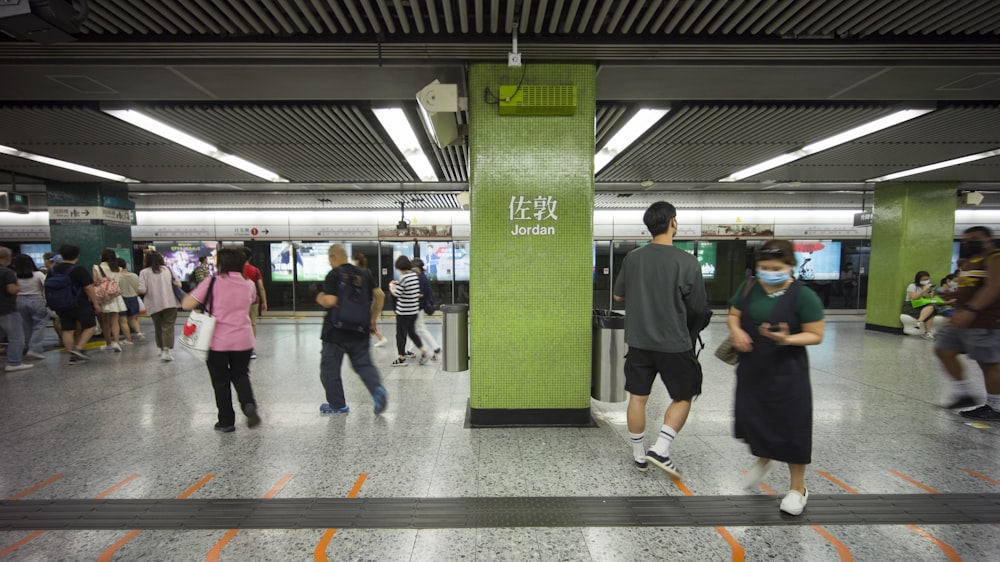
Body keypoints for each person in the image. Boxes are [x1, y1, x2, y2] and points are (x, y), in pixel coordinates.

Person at [727, 239, 825, 516]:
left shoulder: (802, 296)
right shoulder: (748, 287)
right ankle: (764, 458)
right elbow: (734, 315)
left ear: (790, 266)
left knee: (792, 427)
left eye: (775, 267)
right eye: (763, 267)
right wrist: (737, 330)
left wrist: (788, 338)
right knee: (752, 418)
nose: (769, 272)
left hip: (787, 372)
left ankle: (798, 488)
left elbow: (816, 335)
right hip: (752, 368)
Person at [612, 201, 709, 477]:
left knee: (638, 398)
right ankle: (661, 448)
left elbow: (619, 296)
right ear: (673, 223)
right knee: (684, 394)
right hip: (674, 344)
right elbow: (699, 306)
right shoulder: (687, 261)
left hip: (639, 343)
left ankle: (639, 454)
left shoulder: (633, 258)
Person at [181, 248, 261, 432]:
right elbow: (250, 302)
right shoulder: (249, 284)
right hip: (243, 339)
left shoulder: (213, 282)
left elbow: (186, 304)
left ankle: (226, 421)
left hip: (217, 341)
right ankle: (248, 404)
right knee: (241, 375)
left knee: (220, 381)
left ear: (221, 264)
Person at [935, 226, 1000, 420]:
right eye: (965, 240)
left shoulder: (995, 258)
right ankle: (964, 393)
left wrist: (972, 310)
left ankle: (995, 407)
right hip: (961, 319)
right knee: (943, 350)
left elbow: (994, 287)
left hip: (985, 320)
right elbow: (970, 288)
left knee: (989, 364)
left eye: (974, 239)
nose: (968, 243)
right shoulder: (971, 262)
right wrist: (953, 295)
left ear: (988, 239)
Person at [316, 244, 388, 415]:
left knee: (330, 369)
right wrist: (372, 317)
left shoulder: (334, 275)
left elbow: (331, 301)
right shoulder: (363, 273)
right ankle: (377, 389)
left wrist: (320, 298)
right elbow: (380, 295)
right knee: (363, 364)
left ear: (332, 257)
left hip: (335, 332)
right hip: (360, 329)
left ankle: (337, 405)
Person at [46, 244, 101, 365]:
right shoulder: (78, 269)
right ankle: (79, 348)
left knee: (67, 329)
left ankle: (72, 355)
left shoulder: (53, 270)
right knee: (90, 325)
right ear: (77, 255)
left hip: (61, 304)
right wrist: (95, 303)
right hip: (78, 302)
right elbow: (88, 287)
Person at [138, 251, 180, 362]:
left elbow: (142, 290)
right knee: (168, 326)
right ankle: (166, 351)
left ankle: (161, 349)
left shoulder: (143, 272)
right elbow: (178, 284)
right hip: (170, 302)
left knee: (158, 327)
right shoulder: (168, 270)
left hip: (153, 304)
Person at [388, 255, 429, 367]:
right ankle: (423, 351)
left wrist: (391, 287)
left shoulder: (404, 278)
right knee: (412, 333)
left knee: (400, 335)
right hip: (413, 310)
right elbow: (410, 290)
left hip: (403, 312)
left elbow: (397, 293)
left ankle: (401, 358)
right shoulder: (414, 276)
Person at [0, 247, 33, 372]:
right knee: (16, 336)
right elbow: (11, 290)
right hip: (7, 309)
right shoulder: (7, 272)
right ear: (7, 258)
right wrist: (18, 287)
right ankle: (14, 362)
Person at [13, 254, 47, 361]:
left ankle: (29, 347)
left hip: (19, 301)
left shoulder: (14, 276)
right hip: (36, 299)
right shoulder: (38, 274)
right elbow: (46, 285)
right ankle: (35, 349)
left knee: (26, 326)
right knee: (40, 324)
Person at [93, 249, 127, 352]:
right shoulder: (118, 269)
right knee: (115, 320)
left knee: (104, 321)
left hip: (103, 296)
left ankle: (108, 342)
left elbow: (94, 282)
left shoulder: (96, 267)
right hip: (115, 296)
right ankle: (116, 342)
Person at [353, 252, 388, 347]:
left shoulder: (360, 274)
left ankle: (380, 338)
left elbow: (380, 295)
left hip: (362, 306)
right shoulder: (367, 272)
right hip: (368, 303)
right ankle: (380, 338)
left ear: (356, 261)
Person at [409, 258, 441, 361]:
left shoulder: (421, 278)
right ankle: (410, 349)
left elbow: (421, 294)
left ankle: (435, 347)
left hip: (419, 307)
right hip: (417, 307)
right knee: (415, 329)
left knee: (420, 329)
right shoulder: (420, 276)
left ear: (417, 267)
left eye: (413, 266)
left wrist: (409, 294)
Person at [242, 247, 267, 359]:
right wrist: (264, 301)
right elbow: (261, 287)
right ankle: (251, 349)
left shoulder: (237, 270)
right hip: (253, 300)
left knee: (240, 323)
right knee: (252, 323)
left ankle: (241, 347)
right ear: (250, 257)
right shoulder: (255, 270)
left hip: (239, 301)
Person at [901, 270, 937, 339]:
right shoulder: (912, 286)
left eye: (927, 279)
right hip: (911, 305)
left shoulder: (927, 286)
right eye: (924, 279)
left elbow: (930, 298)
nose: (926, 281)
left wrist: (930, 291)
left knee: (932, 308)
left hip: (921, 305)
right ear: (918, 279)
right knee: (930, 313)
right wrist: (923, 290)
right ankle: (927, 331)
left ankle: (919, 323)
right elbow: (914, 298)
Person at [116, 258, 143, 343]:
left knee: (123, 321)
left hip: (122, 299)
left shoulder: (117, 276)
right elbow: (138, 288)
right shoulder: (134, 275)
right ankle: (138, 332)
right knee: (132, 319)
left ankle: (128, 339)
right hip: (134, 298)